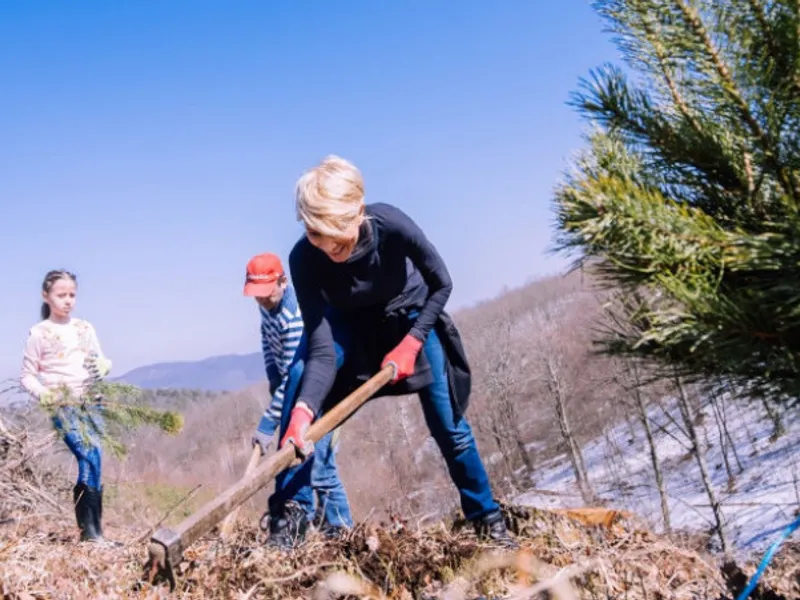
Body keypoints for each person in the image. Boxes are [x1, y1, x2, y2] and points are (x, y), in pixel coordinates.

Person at [266, 155, 517, 549]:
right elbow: (320, 347)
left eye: (339, 236)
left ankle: (487, 518)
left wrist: (413, 341)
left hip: (410, 317)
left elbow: (442, 284)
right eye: (318, 235)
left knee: (449, 426)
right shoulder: (303, 258)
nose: (330, 248)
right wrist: (303, 412)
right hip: (347, 327)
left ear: (357, 212)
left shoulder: (392, 225)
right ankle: (291, 519)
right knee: (299, 389)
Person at [243, 252, 353, 541]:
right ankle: (315, 527)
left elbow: (297, 374)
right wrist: (273, 384)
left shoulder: (296, 315)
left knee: (322, 466)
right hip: (292, 394)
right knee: (302, 461)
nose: (262, 300)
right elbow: (269, 349)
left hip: (321, 395)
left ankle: (342, 531)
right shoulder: (267, 308)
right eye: (257, 295)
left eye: (266, 294)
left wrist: (268, 423)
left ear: (283, 282)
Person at [19, 269, 118, 545]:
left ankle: (96, 532)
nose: (68, 300)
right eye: (61, 295)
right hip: (63, 405)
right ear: (46, 296)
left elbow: (99, 359)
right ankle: (89, 536)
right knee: (87, 455)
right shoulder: (40, 333)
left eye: (72, 294)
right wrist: (45, 395)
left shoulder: (84, 328)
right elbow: (27, 376)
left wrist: (104, 365)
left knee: (96, 457)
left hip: (91, 402)